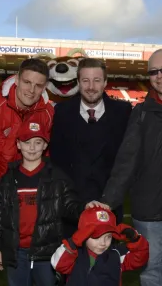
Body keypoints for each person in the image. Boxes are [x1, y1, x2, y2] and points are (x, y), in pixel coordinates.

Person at [0, 58, 54, 286]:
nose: (31, 90)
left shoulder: (48, 112)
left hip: (25, 191)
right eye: (27, 82)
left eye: (38, 85)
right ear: (17, 79)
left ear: (44, 87)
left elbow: (48, 153)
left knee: (25, 244)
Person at [0, 117, 109, 286]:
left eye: (38, 142)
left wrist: (84, 207)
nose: (32, 148)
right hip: (16, 253)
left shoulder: (58, 177)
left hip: (47, 253)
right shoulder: (8, 179)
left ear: (45, 145)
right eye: (27, 142)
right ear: (18, 144)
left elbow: (70, 205)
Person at [50, 58, 132, 237]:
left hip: (109, 206)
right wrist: (72, 203)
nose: (91, 86)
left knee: (107, 263)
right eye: (85, 80)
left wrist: (109, 200)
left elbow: (127, 161)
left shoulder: (124, 112)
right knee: (71, 262)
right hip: (73, 209)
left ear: (105, 82)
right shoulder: (61, 113)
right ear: (78, 82)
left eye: (96, 80)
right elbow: (56, 163)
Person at [101, 48, 162, 286]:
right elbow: (126, 161)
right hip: (149, 213)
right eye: (154, 72)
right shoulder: (141, 114)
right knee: (152, 273)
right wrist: (107, 202)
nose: (159, 76)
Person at [51, 207, 149, 286]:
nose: (103, 243)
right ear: (83, 235)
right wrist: (73, 243)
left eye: (108, 237)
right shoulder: (74, 254)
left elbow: (140, 258)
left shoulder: (116, 254)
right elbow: (57, 264)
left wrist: (135, 238)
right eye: (96, 237)